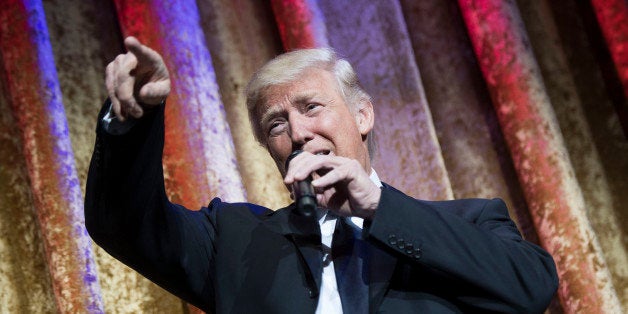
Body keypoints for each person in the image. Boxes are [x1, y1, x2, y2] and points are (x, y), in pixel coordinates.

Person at [85, 36, 558, 313]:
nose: (298, 132)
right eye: (276, 124)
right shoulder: (231, 239)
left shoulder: (471, 223)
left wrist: (375, 207)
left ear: (363, 116)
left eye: (312, 107)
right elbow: (123, 225)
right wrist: (131, 123)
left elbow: (531, 287)